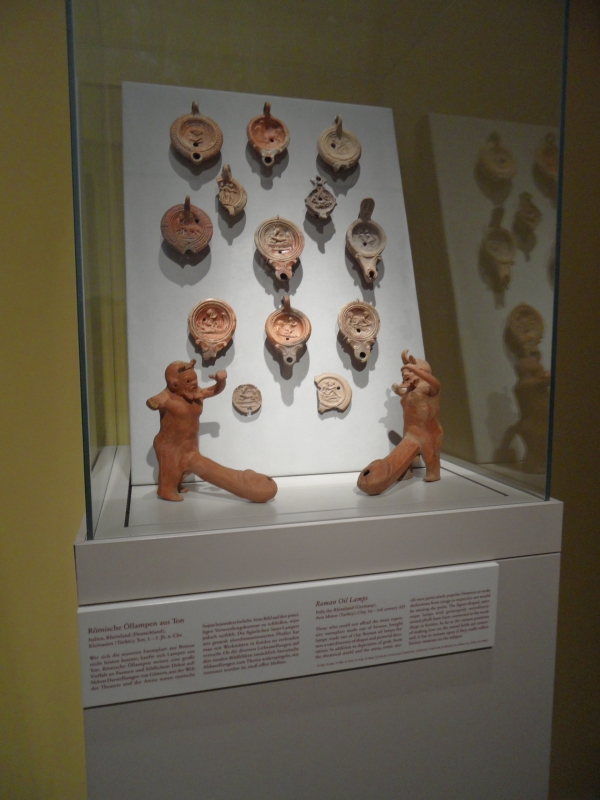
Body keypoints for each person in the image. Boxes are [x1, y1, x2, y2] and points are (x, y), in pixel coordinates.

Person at [147, 360, 277, 503]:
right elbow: (153, 402)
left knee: (183, 467)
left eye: (195, 379)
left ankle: (177, 485)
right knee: (173, 469)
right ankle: (166, 491)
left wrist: (221, 381)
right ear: (174, 384)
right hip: (170, 445)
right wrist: (154, 402)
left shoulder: (195, 393)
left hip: (189, 447)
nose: (194, 383)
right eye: (188, 381)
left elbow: (215, 390)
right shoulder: (167, 397)